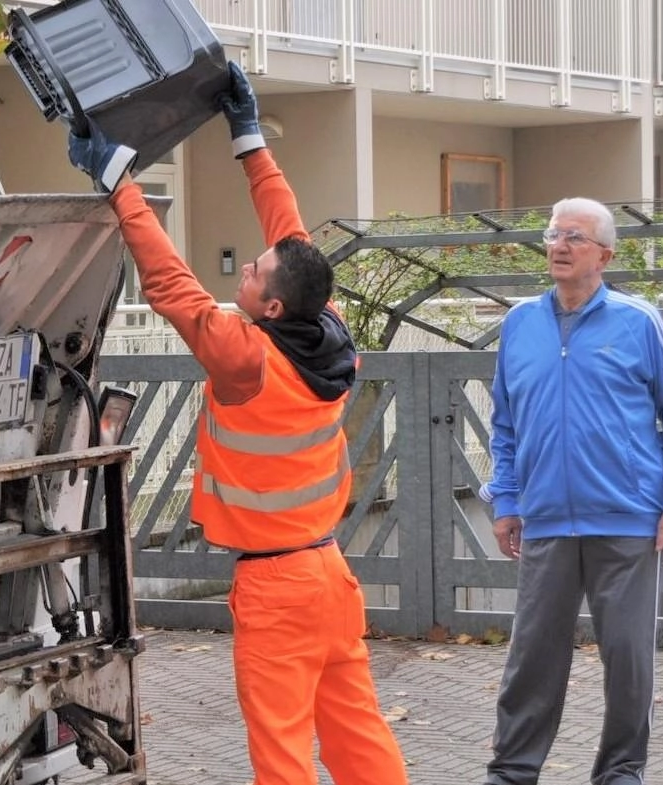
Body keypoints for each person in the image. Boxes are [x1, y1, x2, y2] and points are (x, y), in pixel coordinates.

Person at [67, 62, 408, 785]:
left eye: (250, 275)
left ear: (272, 306)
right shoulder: (329, 331)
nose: (241, 276)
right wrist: (246, 134)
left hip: (277, 587)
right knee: (356, 731)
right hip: (328, 573)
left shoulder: (244, 359)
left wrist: (118, 182)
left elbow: (168, 283)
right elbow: (290, 236)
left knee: (280, 752)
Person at [479, 198, 663, 785]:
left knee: (628, 658)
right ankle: (513, 770)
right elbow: (505, 424)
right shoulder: (520, 322)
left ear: (605, 253)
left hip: (626, 520)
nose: (559, 244)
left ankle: (622, 770)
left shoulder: (639, 321)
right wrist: (507, 499)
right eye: (553, 233)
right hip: (545, 520)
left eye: (575, 235)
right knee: (532, 658)